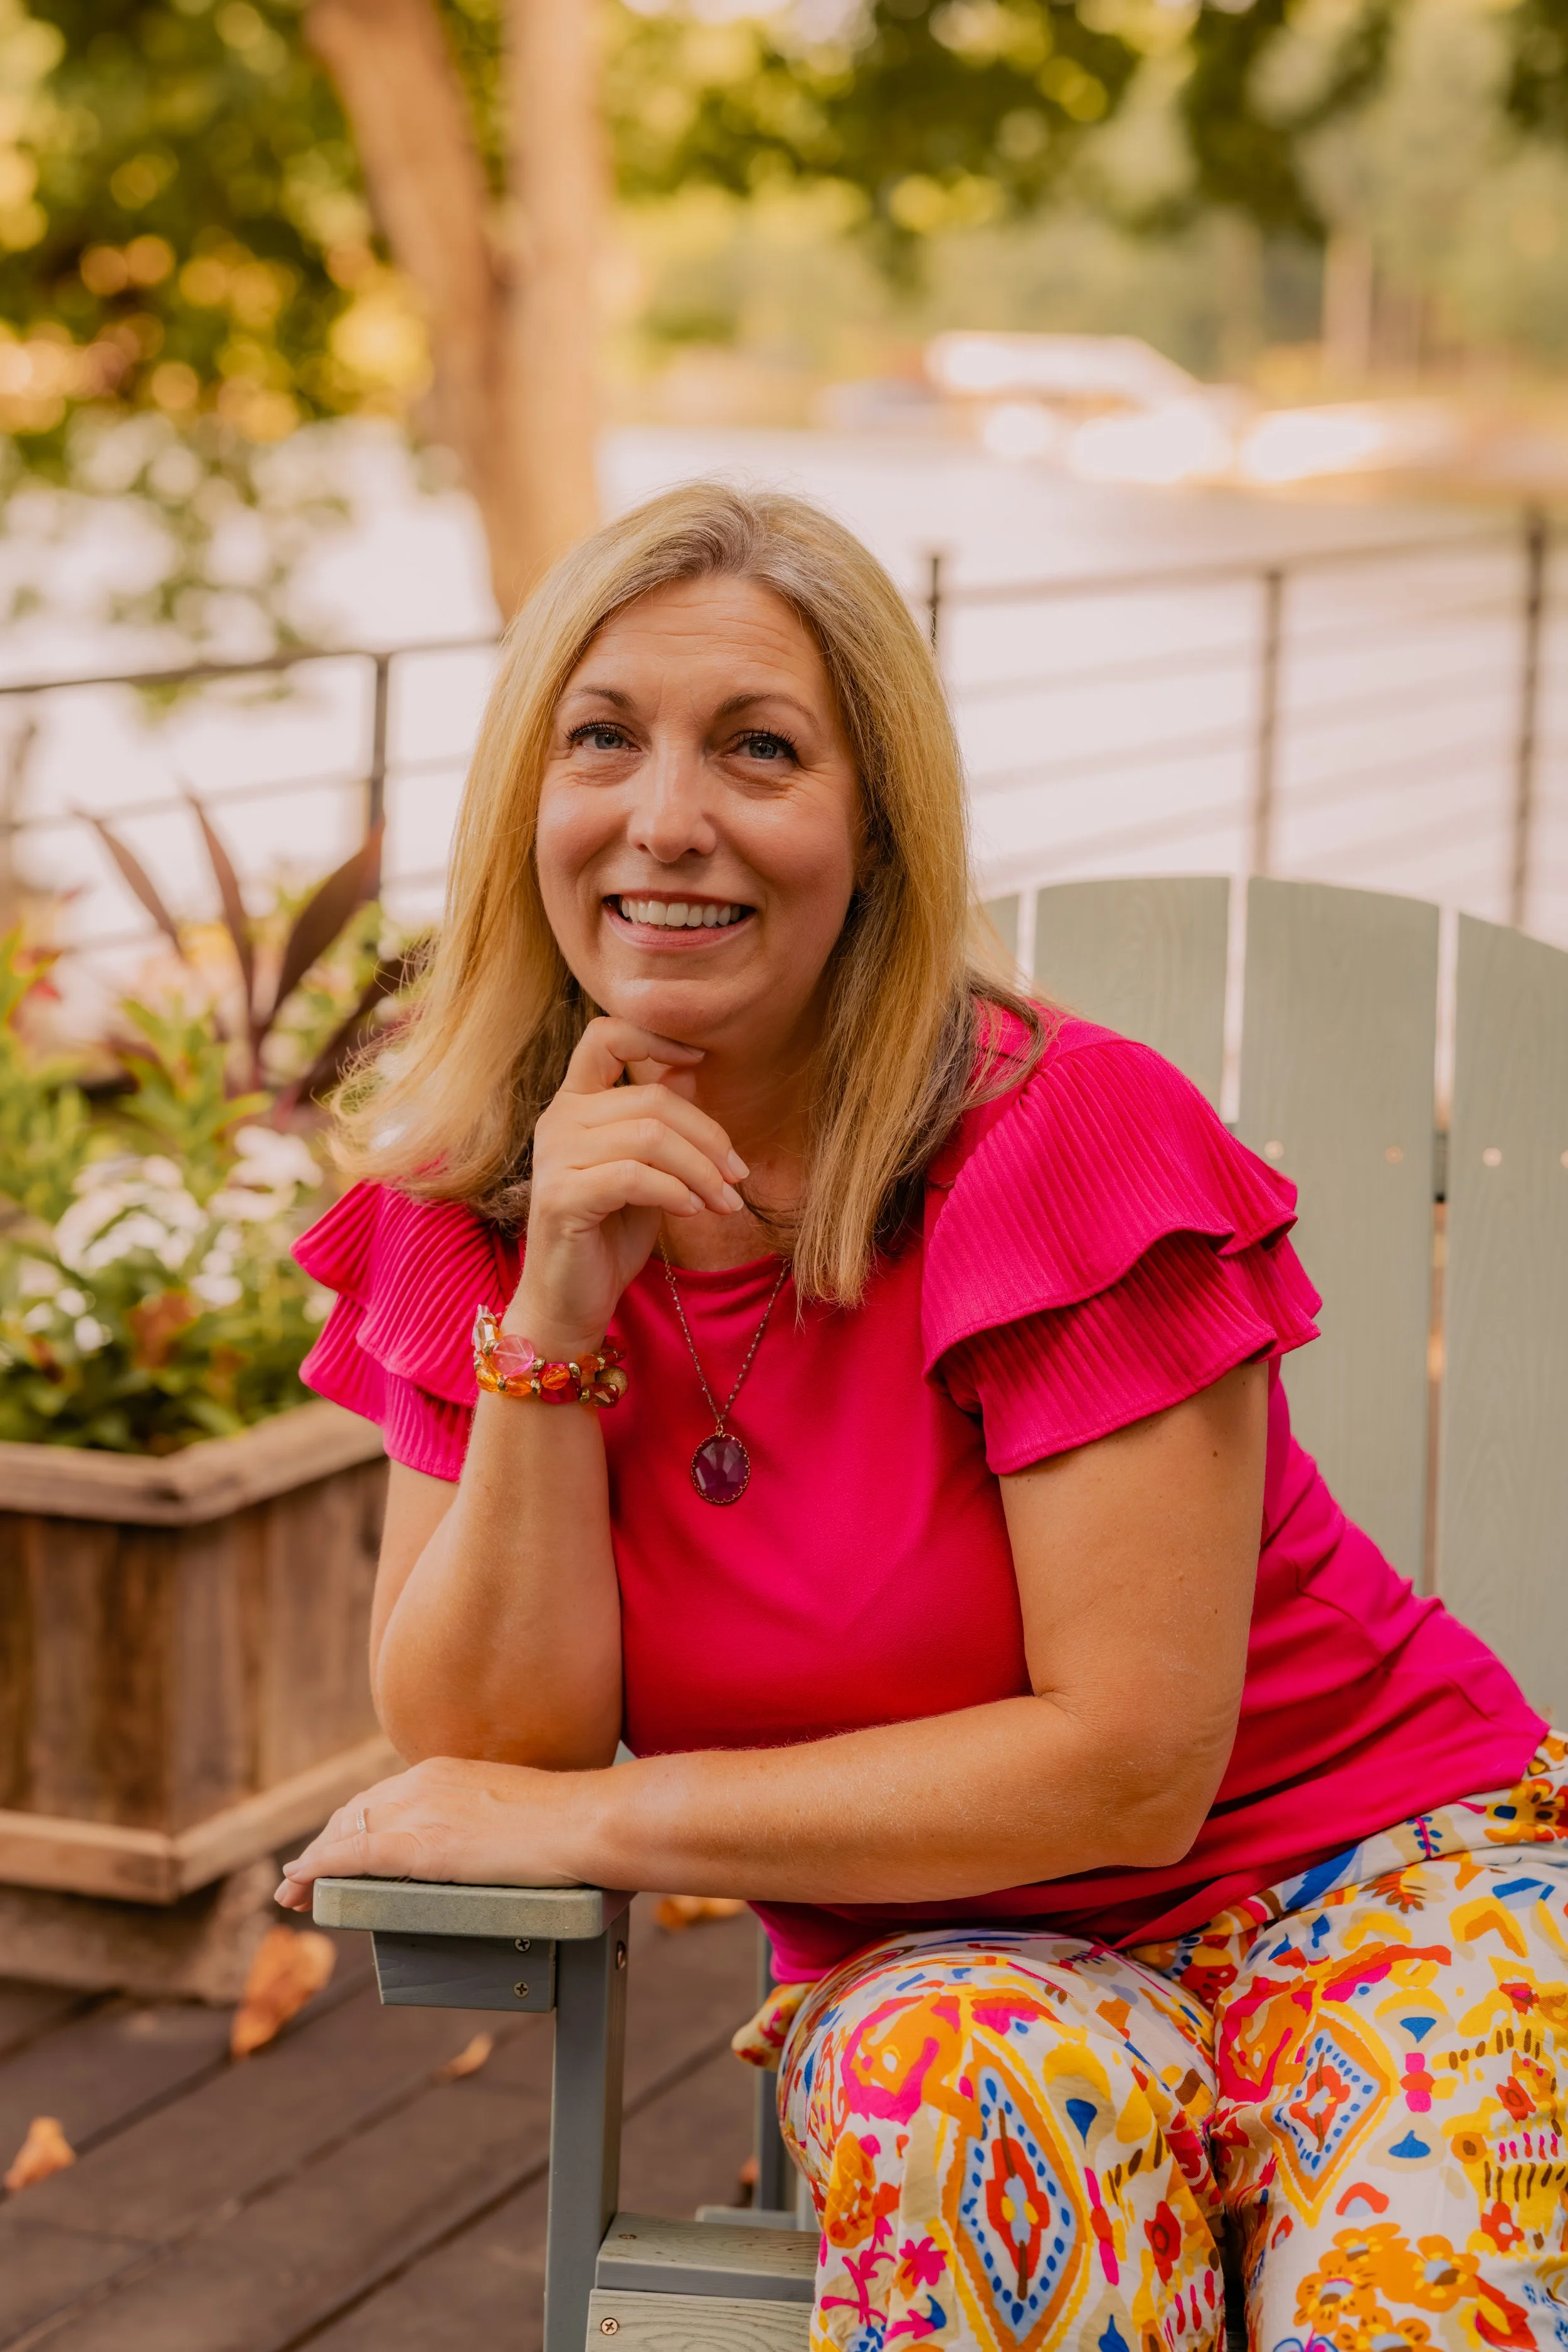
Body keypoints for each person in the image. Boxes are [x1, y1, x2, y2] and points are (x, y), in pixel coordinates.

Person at [277, 484, 1568, 2352]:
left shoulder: (1052, 1143)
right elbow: (492, 1744)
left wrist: (617, 1817)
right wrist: (555, 1320)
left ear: (870, 830)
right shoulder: (466, 1205)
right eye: (602, 739)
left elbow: (1129, 1766)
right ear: (523, 805)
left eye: (757, 750)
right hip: (953, 1960)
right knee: (940, 2078)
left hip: (1370, 1874)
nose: (666, 819)